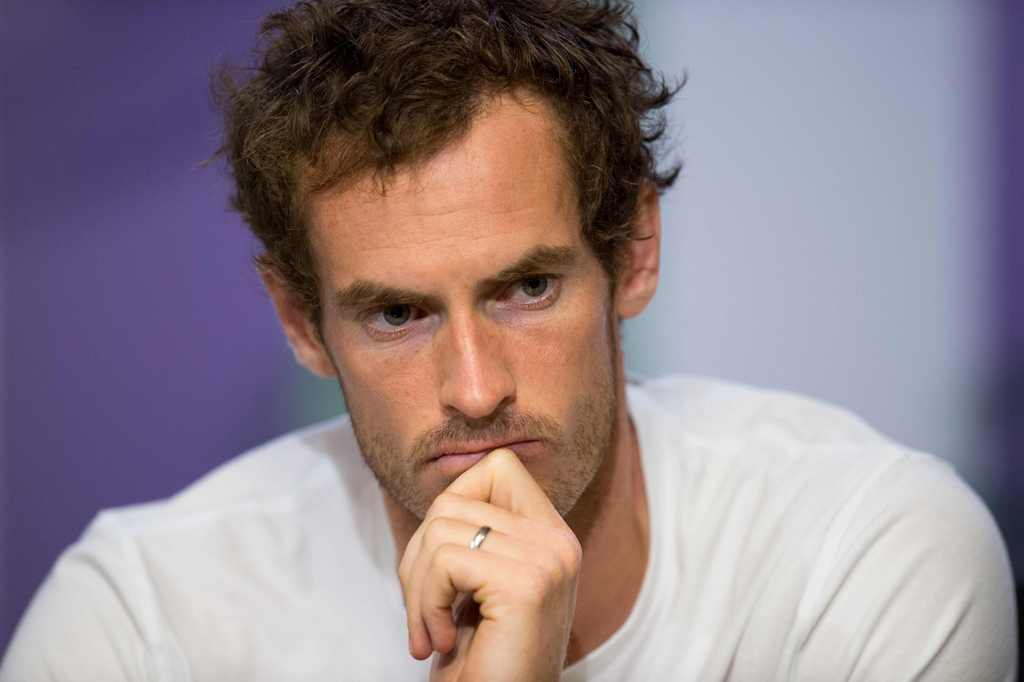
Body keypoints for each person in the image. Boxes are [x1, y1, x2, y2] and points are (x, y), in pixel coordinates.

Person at [1, 0, 1017, 680]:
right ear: (300, 321)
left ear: (632, 251)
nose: (476, 389)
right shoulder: (137, 629)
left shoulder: (860, 554)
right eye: (397, 313)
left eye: (527, 287)